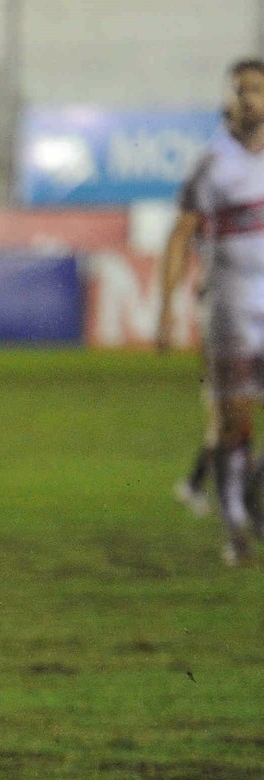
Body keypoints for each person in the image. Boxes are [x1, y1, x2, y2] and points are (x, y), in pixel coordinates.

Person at [160, 61, 264, 564]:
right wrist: (165, 308)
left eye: (259, 90)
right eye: (241, 90)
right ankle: (237, 529)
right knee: (232, 424)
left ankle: (242, 496)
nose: (249, 98)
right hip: (229, 312)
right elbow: (180, 235)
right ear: (228, 100)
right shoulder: (211, 165)